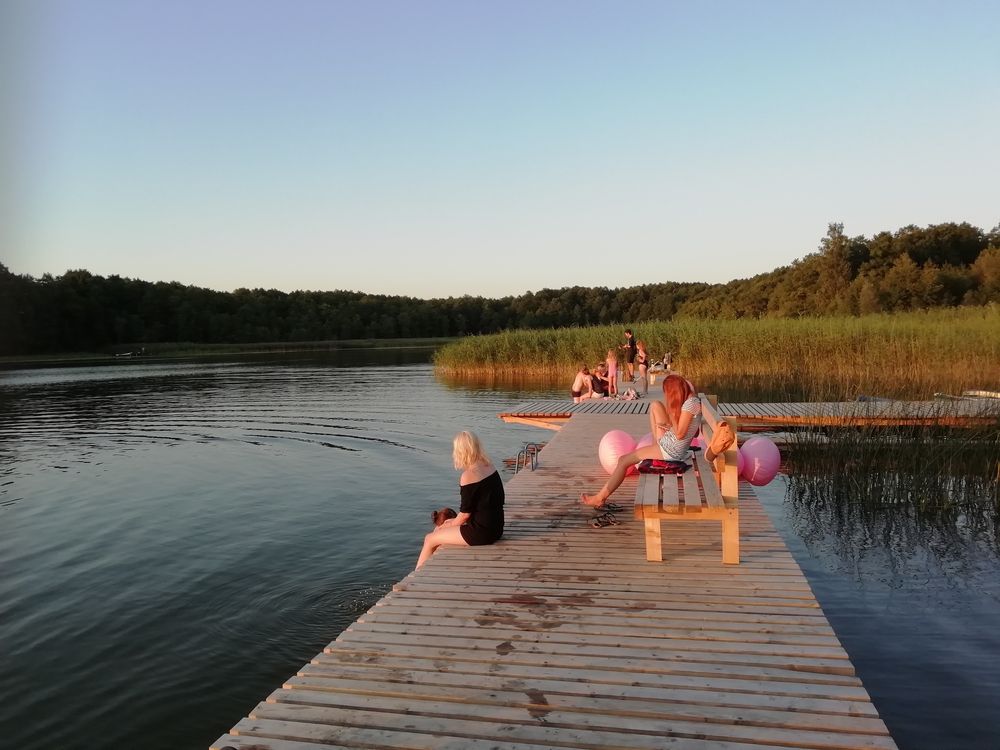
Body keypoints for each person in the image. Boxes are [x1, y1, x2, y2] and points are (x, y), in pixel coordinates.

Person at [580, 374, 734, 509]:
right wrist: (671, 425)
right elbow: (687, 431)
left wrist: (673, 416)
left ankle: (600, 498)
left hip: (671, 450)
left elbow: (681, 435)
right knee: (654, 406)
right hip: (671, 444)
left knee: (623, 460)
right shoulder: (691, 401)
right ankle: (602, 496)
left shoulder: (690, 404)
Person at [416, 431, 505, 569]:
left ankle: (416, 578)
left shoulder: (468, 476)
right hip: (496, 527)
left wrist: (449, 525)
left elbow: (465, 515)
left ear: (461, 451)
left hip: (481, 533)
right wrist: (452, 522)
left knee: (430, 538)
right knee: (444, 526)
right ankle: (429, 569)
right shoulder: (490, 466)